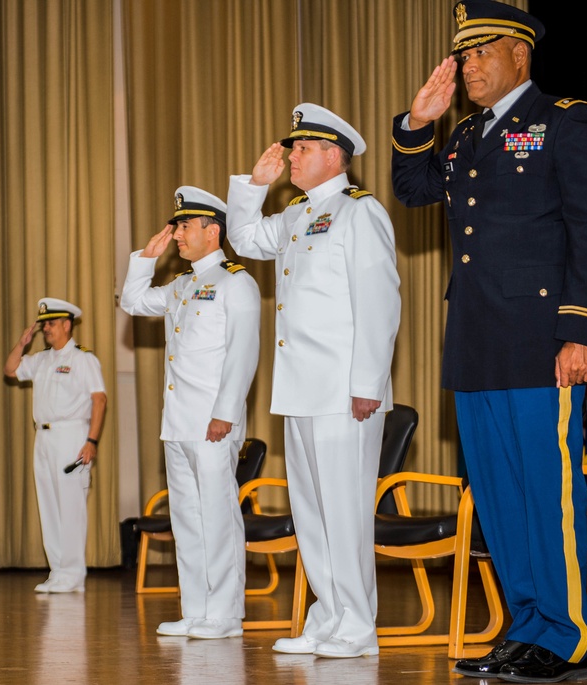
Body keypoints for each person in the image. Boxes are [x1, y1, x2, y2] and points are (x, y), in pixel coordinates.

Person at [390, 1, 587, 681]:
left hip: (540, 343)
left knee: (547, 491)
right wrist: (418, 124)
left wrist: (581, 330)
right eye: (462, 57)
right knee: (497, 495)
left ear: (521, 52)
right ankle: (525, 626)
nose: (468, 67)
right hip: (475, 343)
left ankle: (566, 631)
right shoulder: (463, 138)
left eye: (481, 51)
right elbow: (413, 189)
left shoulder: (565, 121)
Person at [226, 104, 401, 657]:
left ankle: (358, 627)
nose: (292, 156)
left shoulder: (359, 212)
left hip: (344, 391)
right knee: (313, 512)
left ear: (335, 155)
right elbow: (248, 239)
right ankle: (329, 619)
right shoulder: (300, 215)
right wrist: (255, 186)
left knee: (345, 511)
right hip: (300, 389)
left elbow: (380, 302)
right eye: (293, 148)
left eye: (302, 149)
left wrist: (369, 380)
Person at [120, 186, 261, 640]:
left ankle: (225, 614)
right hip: (178, 423)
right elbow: (133, 303)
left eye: (184, 225)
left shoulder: (236, 281)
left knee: (218, 517)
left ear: (211, 230)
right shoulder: (182, 284)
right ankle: (197, 609)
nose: (177, 234)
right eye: (177, 225)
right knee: (188, 519)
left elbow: (244, 354)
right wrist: (145, 258)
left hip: (212, 423)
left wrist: (226, 413)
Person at [4, 297, 107, 594]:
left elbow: (99, 400)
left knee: (71, 505)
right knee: (48, 504)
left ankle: (72, 573)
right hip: (44, 437)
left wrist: (91, 441)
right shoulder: (42, 359)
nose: (45, 328)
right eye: (43, 324)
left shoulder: (83, 359)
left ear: (66, 324)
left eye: (50, 323)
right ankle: (58, 571)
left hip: (72, 435)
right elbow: (10, 370)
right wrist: (22, 344)